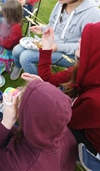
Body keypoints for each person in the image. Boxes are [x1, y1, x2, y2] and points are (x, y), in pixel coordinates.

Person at [22, 22, 100, 163]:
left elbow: (63, 121)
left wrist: (42, 91)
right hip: (81, 119)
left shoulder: (96, 101)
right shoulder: (84, 70)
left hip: (91, 142)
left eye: (87, 40)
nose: (79, 40)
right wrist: (46, 47)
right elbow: (48, 79)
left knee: (44, 123)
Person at [10, 0, 100, 80]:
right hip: (52, 44)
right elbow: (52, 24)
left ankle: (44, 87)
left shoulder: (92, 13)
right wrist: (43, 29)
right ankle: (18, 67)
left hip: (70, 54)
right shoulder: (61, 3)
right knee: (17, 50)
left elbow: (89, 47)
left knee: (25, 57)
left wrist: (58, 46)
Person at [0, 80, 77, 171]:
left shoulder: (22, 167)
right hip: (29, 146)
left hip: (13, 160)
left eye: (21, 104)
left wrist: (5, 124)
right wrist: (42, 90)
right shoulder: (60, 127)